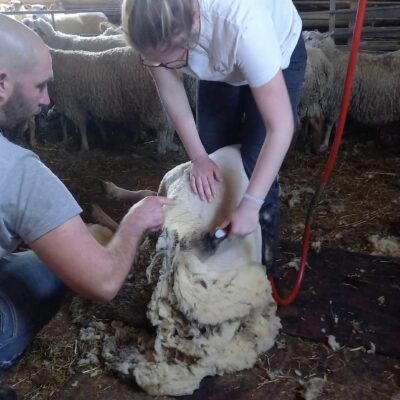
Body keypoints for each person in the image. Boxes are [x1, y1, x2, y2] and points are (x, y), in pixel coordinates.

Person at [0, 14, 174, 378]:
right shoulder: (19, 170)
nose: (48, 100)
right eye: (40, 86)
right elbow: (103, 283)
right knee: (62, 273)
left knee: (42, 260)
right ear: (2, 83)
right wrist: (135, 220)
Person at [121, 0, 307, 276]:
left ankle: (262, 274)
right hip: (217, 60)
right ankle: (219, 264)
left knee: (256, 169)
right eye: (152, 59)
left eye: (169, 59)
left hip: (274, 50)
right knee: (212, 163)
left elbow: (280, 127)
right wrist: (199, 157)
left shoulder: (243, 23)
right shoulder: (148, 23)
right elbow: (170, 89)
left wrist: (251, 203)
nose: (160, 66)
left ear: (194, 22)